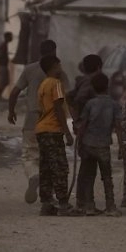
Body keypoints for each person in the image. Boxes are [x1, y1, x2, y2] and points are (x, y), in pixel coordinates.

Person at [8, 39, 58, 204]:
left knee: (30, 154)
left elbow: (15, 92)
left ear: (40, 52)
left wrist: (11, 111)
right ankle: (48, 194)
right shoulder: (57, 71)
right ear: (55, 51)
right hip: (52, 121)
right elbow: (67, 97)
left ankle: (33, 175)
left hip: (32, 119)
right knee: (50, 156)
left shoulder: (30, 69)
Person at [35, 55, 78, 216]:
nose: (61, 69)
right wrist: (67, 132)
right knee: (59, 167)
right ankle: (63, 203)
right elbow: (58, 108)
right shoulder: (56, 84)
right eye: (59, 65)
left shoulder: (43, 84)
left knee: (45, 167)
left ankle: (46, 203)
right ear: (55, 66)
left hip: (41, 130)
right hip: (53, 130)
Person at [75, 72, 122, 216]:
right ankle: (110, 206)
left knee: (89, 175)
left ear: (93, 88)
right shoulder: (114, 104)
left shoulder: (90, 104)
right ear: (107, 86)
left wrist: (79, 141)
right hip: (103, 146)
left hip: (88, 143)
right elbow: (118, 126)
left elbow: (83, 124)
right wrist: (121, 145)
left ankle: (89, 206)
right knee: (107, 176)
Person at [66, 54, 104, 127]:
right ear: (99, 67)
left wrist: (76, 118)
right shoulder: (90, 81)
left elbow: (69, 96)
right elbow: (79, 99)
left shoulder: (83, 81)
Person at [0, 31, 13, 99]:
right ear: (7, 37)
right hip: (2, 65)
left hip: (3, 65)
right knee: (3, 81)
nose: (11, 38)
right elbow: (1, 56)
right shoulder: (3, 45)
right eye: (10, 36)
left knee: (5, 81)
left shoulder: (5, 45)